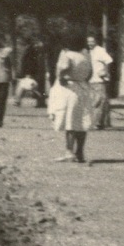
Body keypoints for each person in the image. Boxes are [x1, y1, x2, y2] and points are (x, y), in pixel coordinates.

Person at [47, 31, 94, 163]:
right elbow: (90, 74)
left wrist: (61, 77)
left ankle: (69, 151)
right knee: (81, 121)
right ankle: (80, 152)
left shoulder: (67, 55)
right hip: (83, 89)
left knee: (70, 120)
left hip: (70, 89)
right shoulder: (85, 56)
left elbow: (64, 67)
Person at [87, 33, 114, 129]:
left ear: (96, 41)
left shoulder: (100, 50)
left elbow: (108, 61)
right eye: (88, 41)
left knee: (99, 101)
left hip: (99, 79)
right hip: (90, 80)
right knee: (93, 102)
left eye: (92, 41)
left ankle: (99, 123)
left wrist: (105, 72)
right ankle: (99, 122)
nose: (90, 43)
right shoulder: (89, 52)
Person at [16, 38, 46, 107]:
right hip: (31, 72)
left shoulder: (30, 49)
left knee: (27, 86)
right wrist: (28, 73)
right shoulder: (30, 50)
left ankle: (17, 100)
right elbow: (28, 62)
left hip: (32, 72)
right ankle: (17, 100)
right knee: (26, 85)